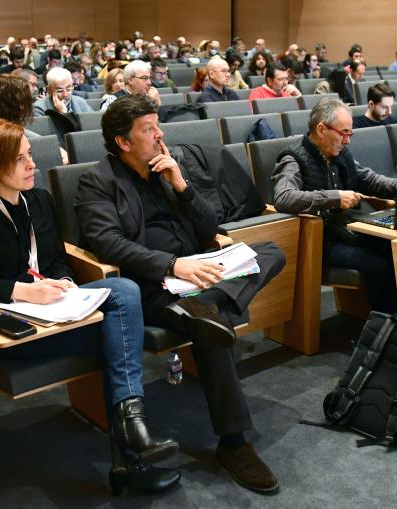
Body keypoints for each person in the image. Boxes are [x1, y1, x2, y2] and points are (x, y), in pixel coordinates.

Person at [0, 118, 180, 496]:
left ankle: (129, 439)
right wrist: (19, 290)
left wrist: (64, 281)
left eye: (30, 155)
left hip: (58, 314)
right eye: (20, 160)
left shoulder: (39, 200)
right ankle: (129, 449)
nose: (32, 165)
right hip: (13, 329)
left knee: (124, 290)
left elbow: (55, 260)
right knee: (116, 335)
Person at [75, 95, 285, 494]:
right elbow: (108, 244)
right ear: (123, 141)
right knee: (212, 321)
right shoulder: (97, 181)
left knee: (271, 251)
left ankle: (207, 306)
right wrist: (173, 265)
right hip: (154, 288)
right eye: (149, 129)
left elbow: (210, 228)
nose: (160, 134)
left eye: (158, 124)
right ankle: (234, 443)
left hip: (200, 275)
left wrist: (181, 185)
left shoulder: (165, 169)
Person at [272, 97, 397, 312]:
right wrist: (334, 197)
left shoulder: (339, 154)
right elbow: (283, 197)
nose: (348, 141)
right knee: (380, 266)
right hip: (320, 241)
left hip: (347, 231)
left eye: (350, 133)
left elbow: (368, 179)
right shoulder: (293, 159)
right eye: (344, 133)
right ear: (321, 129)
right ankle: (385, 329)